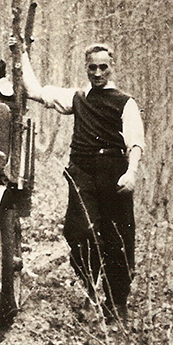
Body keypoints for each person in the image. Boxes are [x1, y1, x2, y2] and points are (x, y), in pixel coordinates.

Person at [18, 41, 145, 324]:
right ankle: (89, 288)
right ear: (85, 68)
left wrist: (131, 172)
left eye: (103, 67)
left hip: (114, 172)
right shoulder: (77, 98)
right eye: (92, 67)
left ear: (112, 67)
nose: (97, 73)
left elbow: (135, 142)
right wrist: (22, 54)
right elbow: (35, 91)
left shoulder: (125, 102)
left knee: (119, 238)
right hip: (82, 172)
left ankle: (116, 304)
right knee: (79, 231)